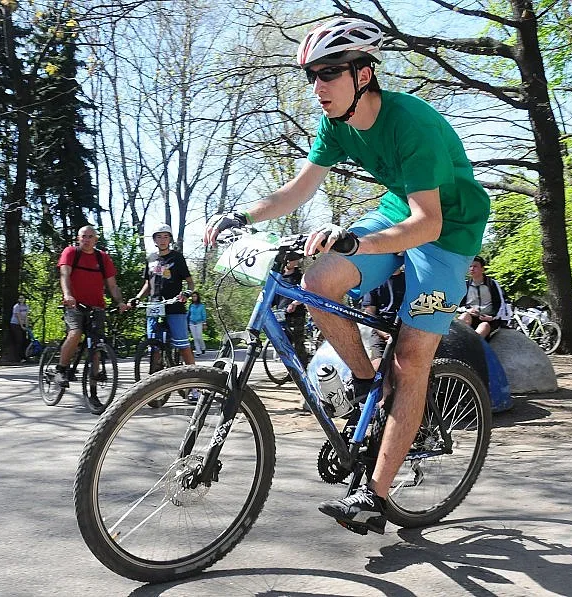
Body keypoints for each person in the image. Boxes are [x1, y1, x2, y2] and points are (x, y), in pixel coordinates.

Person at [204, 18, 490, 534]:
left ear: (363, 74)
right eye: (312, 75)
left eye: (329, 73)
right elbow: (297, 190)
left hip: (448, 234)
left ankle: (373, 495)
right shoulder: (334, 125)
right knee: (317, 282)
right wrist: (242, 216)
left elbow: (428, 222)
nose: (317, 87)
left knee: (409, 359)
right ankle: (364, 383)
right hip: (394, 213)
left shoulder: (413, 124)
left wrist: (357, 239)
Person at [54, 225, 129, 412]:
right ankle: (61, 369)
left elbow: (112, 285)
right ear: (78, 238)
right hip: (74, 305)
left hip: (97, 307)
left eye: (90, 236)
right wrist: (68, 295)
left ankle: (93, 393)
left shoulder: (102, 258)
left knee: (96, 348)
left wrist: (120, 302)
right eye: (83, 236)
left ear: (96, 239)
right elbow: (64, 275)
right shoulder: (71, 252)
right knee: (76, 333)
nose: (86, 239)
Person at [129, 224, 197, 374]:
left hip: (174, 305)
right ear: (154, 240)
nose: (162, 240)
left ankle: (195, 385)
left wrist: (186, 293)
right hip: (154, 305)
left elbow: (191, 283)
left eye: (166, 236)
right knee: (154, 347)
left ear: (170, 239)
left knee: (183, 345)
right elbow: (148, 283)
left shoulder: (177, 257)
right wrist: (138, 298)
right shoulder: (151, 258)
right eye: (159, 237)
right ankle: (153, 385)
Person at [457, 256, 510, 339]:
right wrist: (467, 310)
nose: (472, 269)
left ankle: (473, 347)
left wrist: (492, 317)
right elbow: (457, 305)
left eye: (475, 266)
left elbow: (501, 304)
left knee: (483, 327)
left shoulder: (492, 284)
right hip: (471, 316)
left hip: (488, 320)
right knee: (463, 317)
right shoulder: (465, 285)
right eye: (470, 266)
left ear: (482, 269)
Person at [362, 267, 406, 362]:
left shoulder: (410, 279)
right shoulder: (373, 282)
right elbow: (369, 312)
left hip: (407, 330)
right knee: (378, 365)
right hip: (381, 329)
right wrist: (382, 332)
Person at [272, 257, 310, 367]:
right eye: (288, 259)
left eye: (292, 259)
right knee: (284, 342)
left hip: (296, 314)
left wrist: (294, 303)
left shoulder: (300, 277)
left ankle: (303, 366)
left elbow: (305, 294)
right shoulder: (278, 277)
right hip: (281, 314)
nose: (290, 261)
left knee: (297, 342)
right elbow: (273, 296)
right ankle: (290, 367)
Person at [10, 295, 29, 362]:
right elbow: (18, 317)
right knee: (19, 340)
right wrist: (22, 326)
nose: (21, 299)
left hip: (23, 325)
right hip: (15, 324)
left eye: (22, 298)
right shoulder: (16, 306)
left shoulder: (26, 306)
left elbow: (26, 316)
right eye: (19, 298)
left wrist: (26, 326)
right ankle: (18, 358)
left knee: (24, 340)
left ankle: (24, 356)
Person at [188, 291, 207, 356]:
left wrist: (204, 323)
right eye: (193, 296)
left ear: (197, 297)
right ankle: (198, 352)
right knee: (195, 338)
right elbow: (188, 314)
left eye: (195, 296)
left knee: (199, 337)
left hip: (199, 322)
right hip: (191, 323)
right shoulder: (191, 305)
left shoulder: (201, 306)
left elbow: (204, 314)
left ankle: (203, 348)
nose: (194, 298)